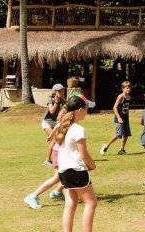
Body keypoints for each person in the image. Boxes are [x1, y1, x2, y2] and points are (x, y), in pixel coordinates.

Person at [53, 96, 98, 232]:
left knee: (70, 204)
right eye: (86, 109)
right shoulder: (78, 129)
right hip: (76, 170)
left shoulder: (63, 126)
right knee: (91, 203)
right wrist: (93, 165)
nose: (87, 111)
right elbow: (84, 154)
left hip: (64, 171)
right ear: (80, 109)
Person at [101, 81, 132, 156]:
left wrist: (127, 118)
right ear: (123, 89)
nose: (128, 89)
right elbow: (114, 107)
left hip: (125, 119)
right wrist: (119, 118)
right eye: (127, 88)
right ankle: (105, 146)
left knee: (126, 134)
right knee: (119, 134)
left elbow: (127, 109)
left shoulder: (129, 97)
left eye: (129, 88)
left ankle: (122, 149)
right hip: (119, 119)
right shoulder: (120, 96)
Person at [43, 84, 67, 166]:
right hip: (47, 122)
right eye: (59, 90)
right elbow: (52, 111)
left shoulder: (62, 100)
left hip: (56, 122)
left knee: (60, 139)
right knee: (54, 140)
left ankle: (59, 158)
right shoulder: (51, 99)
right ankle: (47, 160)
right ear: (55, 91)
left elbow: (66, 108)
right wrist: (56, 102)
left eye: (62, 90)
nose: (62, 92)